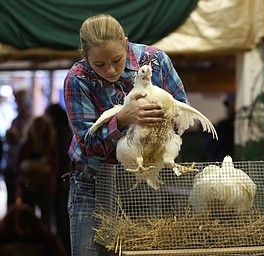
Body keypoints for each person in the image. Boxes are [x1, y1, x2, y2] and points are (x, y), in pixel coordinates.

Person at [64, 13, 188, 256]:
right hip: (93, 181)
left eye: (117, 60)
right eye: (99, 64)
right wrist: (121, 120)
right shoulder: (77, 79)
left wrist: (159, 120)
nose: (110, 70)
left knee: (144, 249)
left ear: (126, 42)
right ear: (84, 55)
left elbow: (182, 113)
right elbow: (89, 147)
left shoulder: (156, 61)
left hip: (142, 178)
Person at [15, 115, 58, 229]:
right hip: (27, 187)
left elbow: (51, 168)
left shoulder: (50, 146)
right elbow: (19, 167)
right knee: (27, 219)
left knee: (46, 221)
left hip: (44, 188)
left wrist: (30, 166)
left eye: (40, 127)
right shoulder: (25, 146)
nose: (38, 129)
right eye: (36, 126)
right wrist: (39, 166)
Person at [45, 103, 73, 255]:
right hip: (64, 181)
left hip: (62, 182)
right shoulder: (65, 130)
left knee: (62, 220)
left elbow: (61, 158)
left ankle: (63, 250)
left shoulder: (57, 132)